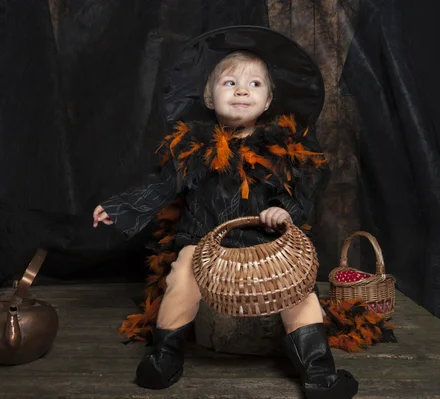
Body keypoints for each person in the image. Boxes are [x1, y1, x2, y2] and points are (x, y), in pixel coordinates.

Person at [93, 26, 358, 399]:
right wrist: (120, 208)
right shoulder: (192, 145)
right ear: (209, 96)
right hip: (204, 241)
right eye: (229, 83)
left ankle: (318, 371)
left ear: (267, 102)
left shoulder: (283, 148)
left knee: (299, 290)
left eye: (254, 85)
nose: (241, 90)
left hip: (266, 243)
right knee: (182, 273)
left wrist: (283, 213)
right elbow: (161, 186)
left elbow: (303, 194)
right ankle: (165, 356)